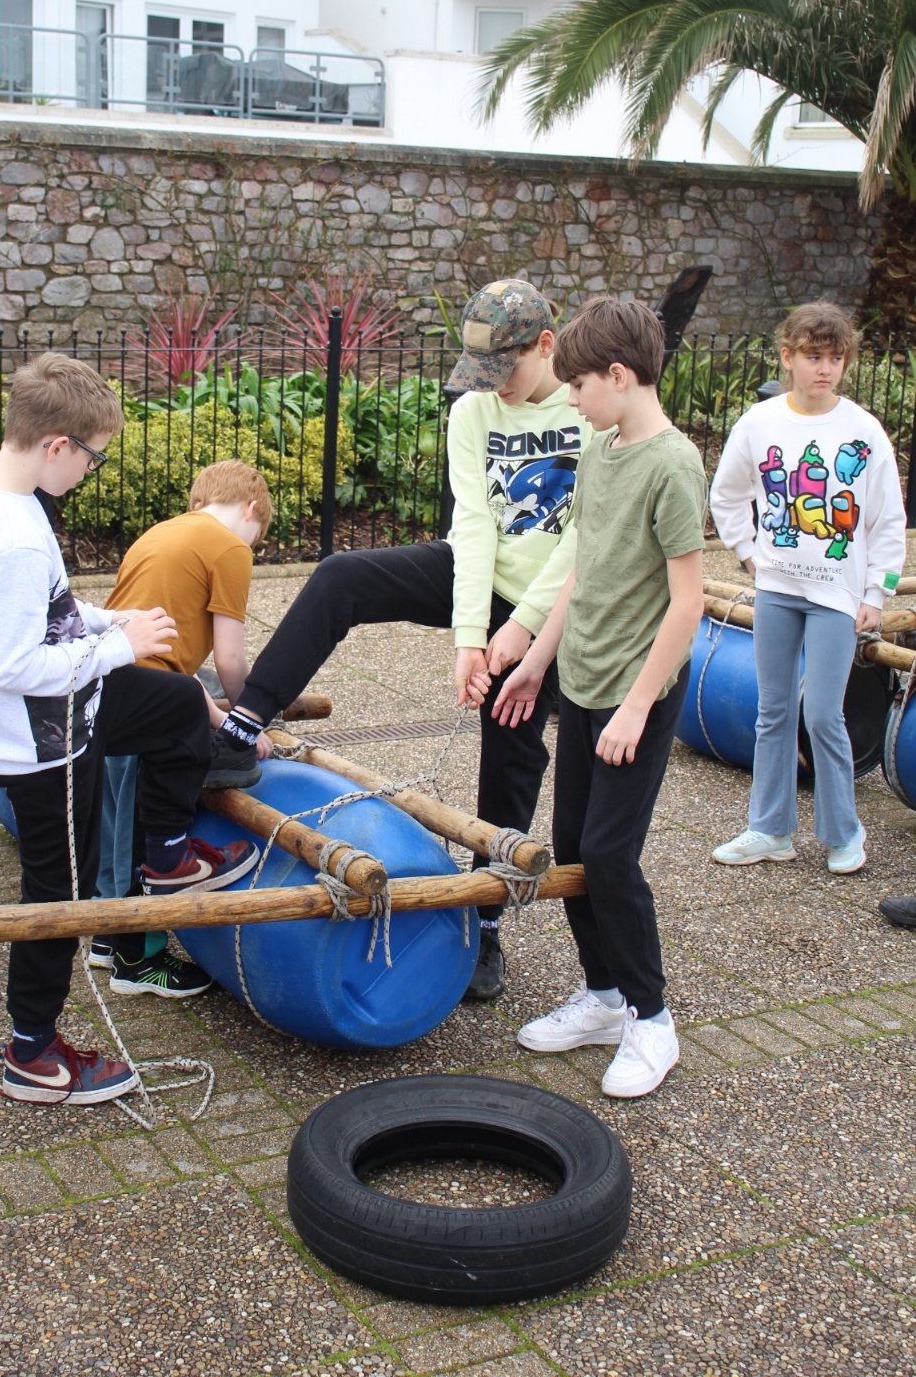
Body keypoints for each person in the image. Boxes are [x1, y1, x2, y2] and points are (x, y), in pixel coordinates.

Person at [207, 279, 589, 1001]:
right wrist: (469, 638)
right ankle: (242, 725)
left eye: (505, 367)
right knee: (342, 577)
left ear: (546, 345)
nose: (494, 384)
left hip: (554, 603)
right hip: (480, 573)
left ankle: (487, 919)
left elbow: (581, 544)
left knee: (512, 739)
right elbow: (472, 525)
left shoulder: (588, 409)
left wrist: (519, 630)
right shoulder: (474, 410)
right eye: (482, 371)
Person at [0, 352, 255, 1108]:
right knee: (59, 893)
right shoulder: (16, 539)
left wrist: (110, 619)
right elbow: (16, 665)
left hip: (64, 709)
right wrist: (121, 647)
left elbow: (47, 611)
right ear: (58, 444)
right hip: (42, 741)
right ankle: (32, 1053)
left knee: (177, 704)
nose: (90, 470)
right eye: (91, 457)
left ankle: (167, 856)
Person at [494, 296, 706, 1098]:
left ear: (619, 375)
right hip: (581, 681)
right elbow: (583, 567)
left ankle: (653, 1019)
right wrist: (536, 662)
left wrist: (638, 707)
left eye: (579, 385)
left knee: (612, 856)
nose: (573, 399)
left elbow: (687, 603)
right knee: (576, 850)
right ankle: (605, 995)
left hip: (632, 694)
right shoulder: (602, 449)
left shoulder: (673, 465)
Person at [710, 302, 906, 875]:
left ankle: (844, 832)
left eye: (835, 358)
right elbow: (726, 494)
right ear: (788, 357)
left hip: (836, 597)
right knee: (772, 710)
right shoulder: (759, 422)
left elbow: (887, 520)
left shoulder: (864, 431)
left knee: (822, 713)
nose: (825, 368)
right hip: (777, 588)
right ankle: (770, 828)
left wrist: (876, 594)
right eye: (814, 356)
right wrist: (749, 553)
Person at [90, 459, 275, 997]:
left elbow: (172, 662)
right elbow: (230, 659)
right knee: (147, 828)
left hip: (109, 689)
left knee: (116, 827)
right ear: (251, 509)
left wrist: (213, 711)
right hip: (154, 708)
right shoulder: (230, 548)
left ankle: (106, 936)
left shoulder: (160, 534)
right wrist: (248, 720)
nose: (253, 545)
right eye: (258, 535)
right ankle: (138, 961)